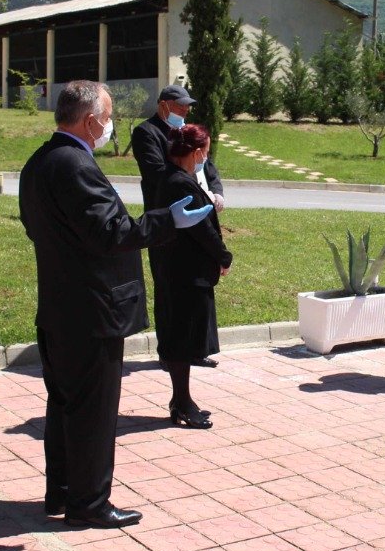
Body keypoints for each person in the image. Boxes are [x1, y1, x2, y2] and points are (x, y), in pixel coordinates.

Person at [19, 80, 212, 528]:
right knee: (94, 412)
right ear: (89, 121)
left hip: (60, 304)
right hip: (92, 310)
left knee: (65, 404)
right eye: (107, 118)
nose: (110, 126)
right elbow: (113, 233)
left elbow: (39, 226)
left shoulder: (41, 160)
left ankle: (63, 491)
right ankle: (89, 504)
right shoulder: (75, 165)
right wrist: (168, 221)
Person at [131, 83, 225, 368]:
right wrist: (189, 185)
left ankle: (198, 349)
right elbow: (157, 172)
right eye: (179, 105)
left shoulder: (188, 130)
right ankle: (170, 352)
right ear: (163, 105)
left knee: (200, 286)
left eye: (187, 106)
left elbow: (208, 166)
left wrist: (216, 191)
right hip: (167, 219)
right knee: (169, 288)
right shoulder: (147, 133)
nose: (184, 110)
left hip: (199, 208)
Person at [153, 124, 233, 429]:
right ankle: (182, 402)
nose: (207, 156)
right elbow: (203, 230)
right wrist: (223, 256)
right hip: (184, 272)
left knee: (182, 337)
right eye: (207, 149)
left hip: (178, 269)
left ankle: (182, 399)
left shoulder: (173, 177)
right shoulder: (180, 183)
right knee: (182, 340)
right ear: (197, 152)